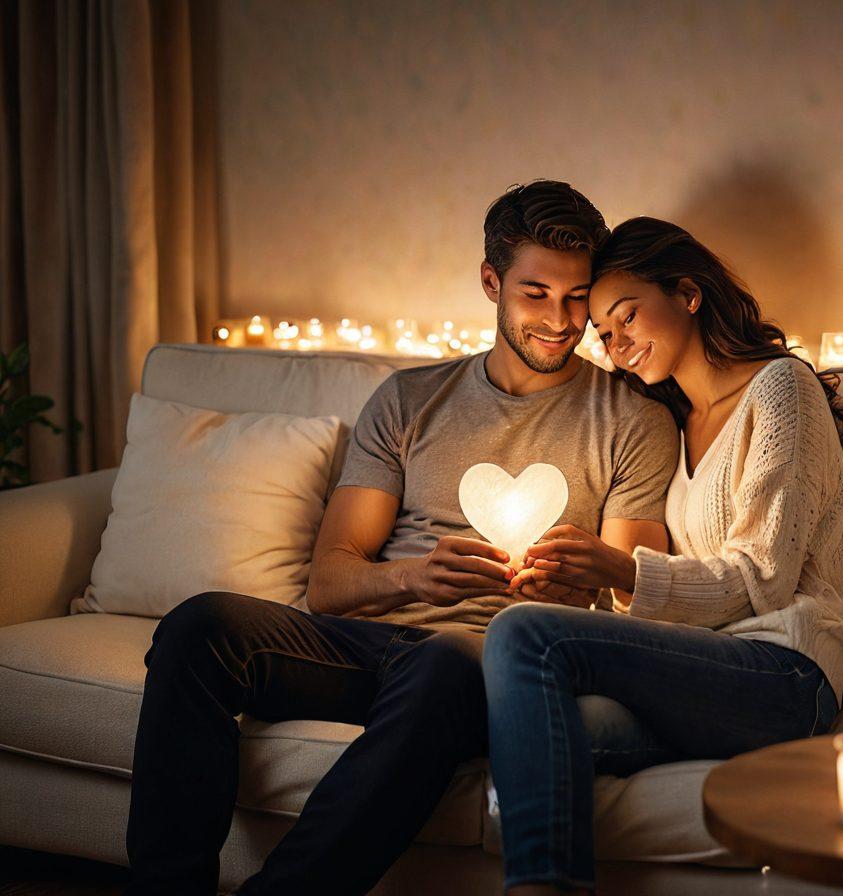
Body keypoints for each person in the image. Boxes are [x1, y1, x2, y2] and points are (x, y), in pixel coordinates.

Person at [123, 183, 679, 896]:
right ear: (491, 283)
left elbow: (627, 593)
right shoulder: (409, 400)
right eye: (535, 293)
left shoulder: (632, 418)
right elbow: (329, 582)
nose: (560, 320)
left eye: (577, 299)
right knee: (199, 627)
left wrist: (575, 584)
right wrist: (413, 578)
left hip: (497, 668)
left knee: (444, 665)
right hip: (377, 646)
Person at [482, 216, 843, 895]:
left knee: (522, 636)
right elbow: (680, 594)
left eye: (627, 317)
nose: (618, 345)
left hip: (788, 675)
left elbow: (764, 580)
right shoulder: (673, 420)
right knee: (535, 727)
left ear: (688, 293)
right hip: (706, 677)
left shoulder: (779, 389)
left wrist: (621, 570)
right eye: (604, 333)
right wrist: (583, 583)